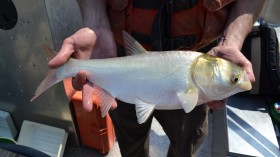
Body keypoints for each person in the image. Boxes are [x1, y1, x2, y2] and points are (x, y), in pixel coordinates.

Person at [49, 0, 264, 156]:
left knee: (187, 142)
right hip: (113, 49)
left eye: (234, 80)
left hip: (204, 51)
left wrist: (232, 41)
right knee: (130, 138)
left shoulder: (202, 78)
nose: (240, 84)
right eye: (233, 80)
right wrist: (95, 23)